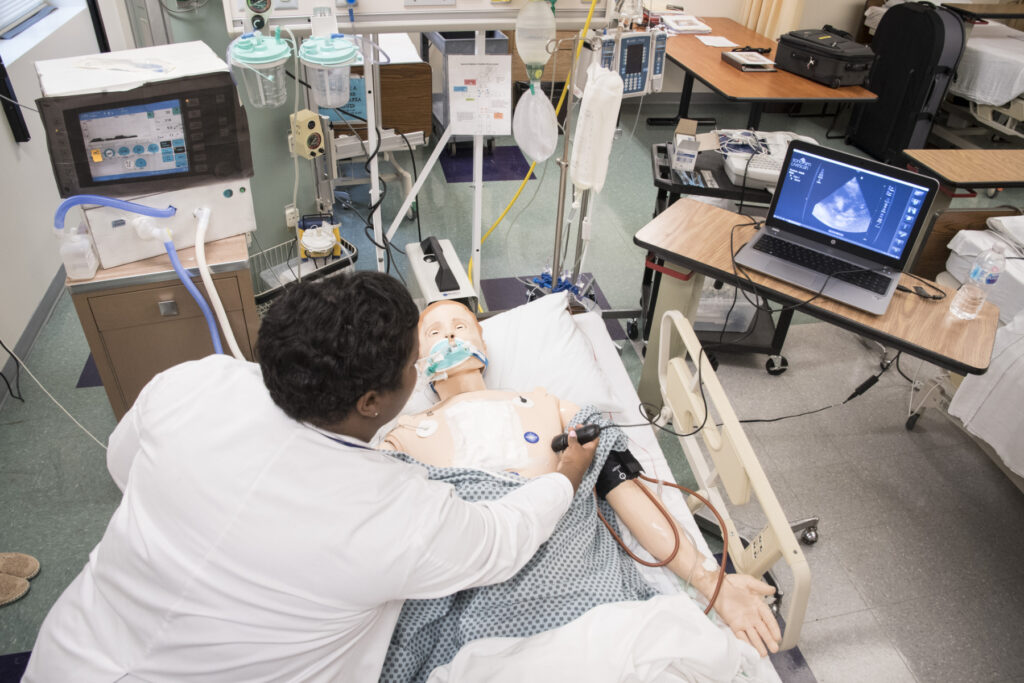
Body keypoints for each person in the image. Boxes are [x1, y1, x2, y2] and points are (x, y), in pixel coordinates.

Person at [23, 272, 596, 682]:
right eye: (413, 360)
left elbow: (124, 468)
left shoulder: (192, 385)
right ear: (373, 401)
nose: (426, 363)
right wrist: (565, 477)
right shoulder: (396, 511)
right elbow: (501, 541)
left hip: (68, 655)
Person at [380, 300, 780, 667]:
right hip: (482, 605)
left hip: (578, 584)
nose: (449, 335)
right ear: (417, 357)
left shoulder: (548, 406)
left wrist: (711, 581)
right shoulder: (403, 435)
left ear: (483, 341)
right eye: (434, 333)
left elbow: (623, 489)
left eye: (460, 326)